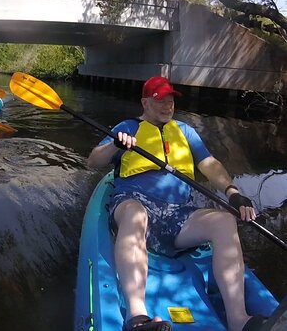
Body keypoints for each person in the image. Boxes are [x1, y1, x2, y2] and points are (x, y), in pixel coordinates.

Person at [87, 76, 263, 331]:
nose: (167, 105)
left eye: (170, 100)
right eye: (160, 100)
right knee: (135, 214)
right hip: (135, 202)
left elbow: (210, 165)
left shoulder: (184, 131)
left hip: (179, 214)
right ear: (145, 102)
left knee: (224, 220)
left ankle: (239, 320)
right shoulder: (128, 127)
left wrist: (233, 192)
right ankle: (137, 318)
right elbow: (93, 161)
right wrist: (115, 144)